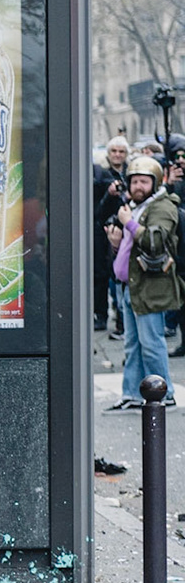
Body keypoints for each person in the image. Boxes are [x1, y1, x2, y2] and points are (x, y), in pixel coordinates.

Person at [104, 155, 180, 412]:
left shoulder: (163, 207)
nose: (138, 186)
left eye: (143, 182)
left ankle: (164, 392)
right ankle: (132, 393)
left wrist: (128, 223)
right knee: (132, 344)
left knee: (151, 342)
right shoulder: (135, 207)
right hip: (131, 285)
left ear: (155, 182)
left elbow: (154, 242)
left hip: (151, 286)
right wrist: (116, 241)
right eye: (134, 181)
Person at [95, 136, 130, 335]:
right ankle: (102, 315)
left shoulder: (131, 173)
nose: (117, 155)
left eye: (121, 152)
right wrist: (109, 193)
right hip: (105, 231)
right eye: (114, 151)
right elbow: (98, 210)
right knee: (103, 273)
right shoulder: (100, 174)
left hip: (127, 229)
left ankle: (121, 319)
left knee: (122, 275)